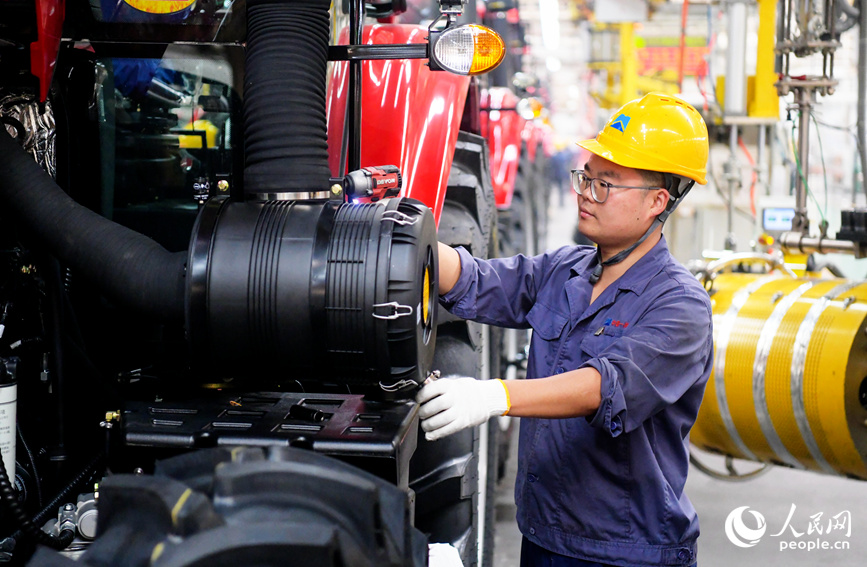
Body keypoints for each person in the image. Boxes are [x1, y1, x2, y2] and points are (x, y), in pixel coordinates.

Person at [416, 93, 713, 567]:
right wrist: (413, 241)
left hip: (625, 552)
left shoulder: (680, 306)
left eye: (605, 184)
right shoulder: (566, 269)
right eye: (586, 177)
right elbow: (480, 280)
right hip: (545, 535)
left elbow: (606, 386)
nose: (585, 192)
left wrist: (496, 396)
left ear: (657, 200)